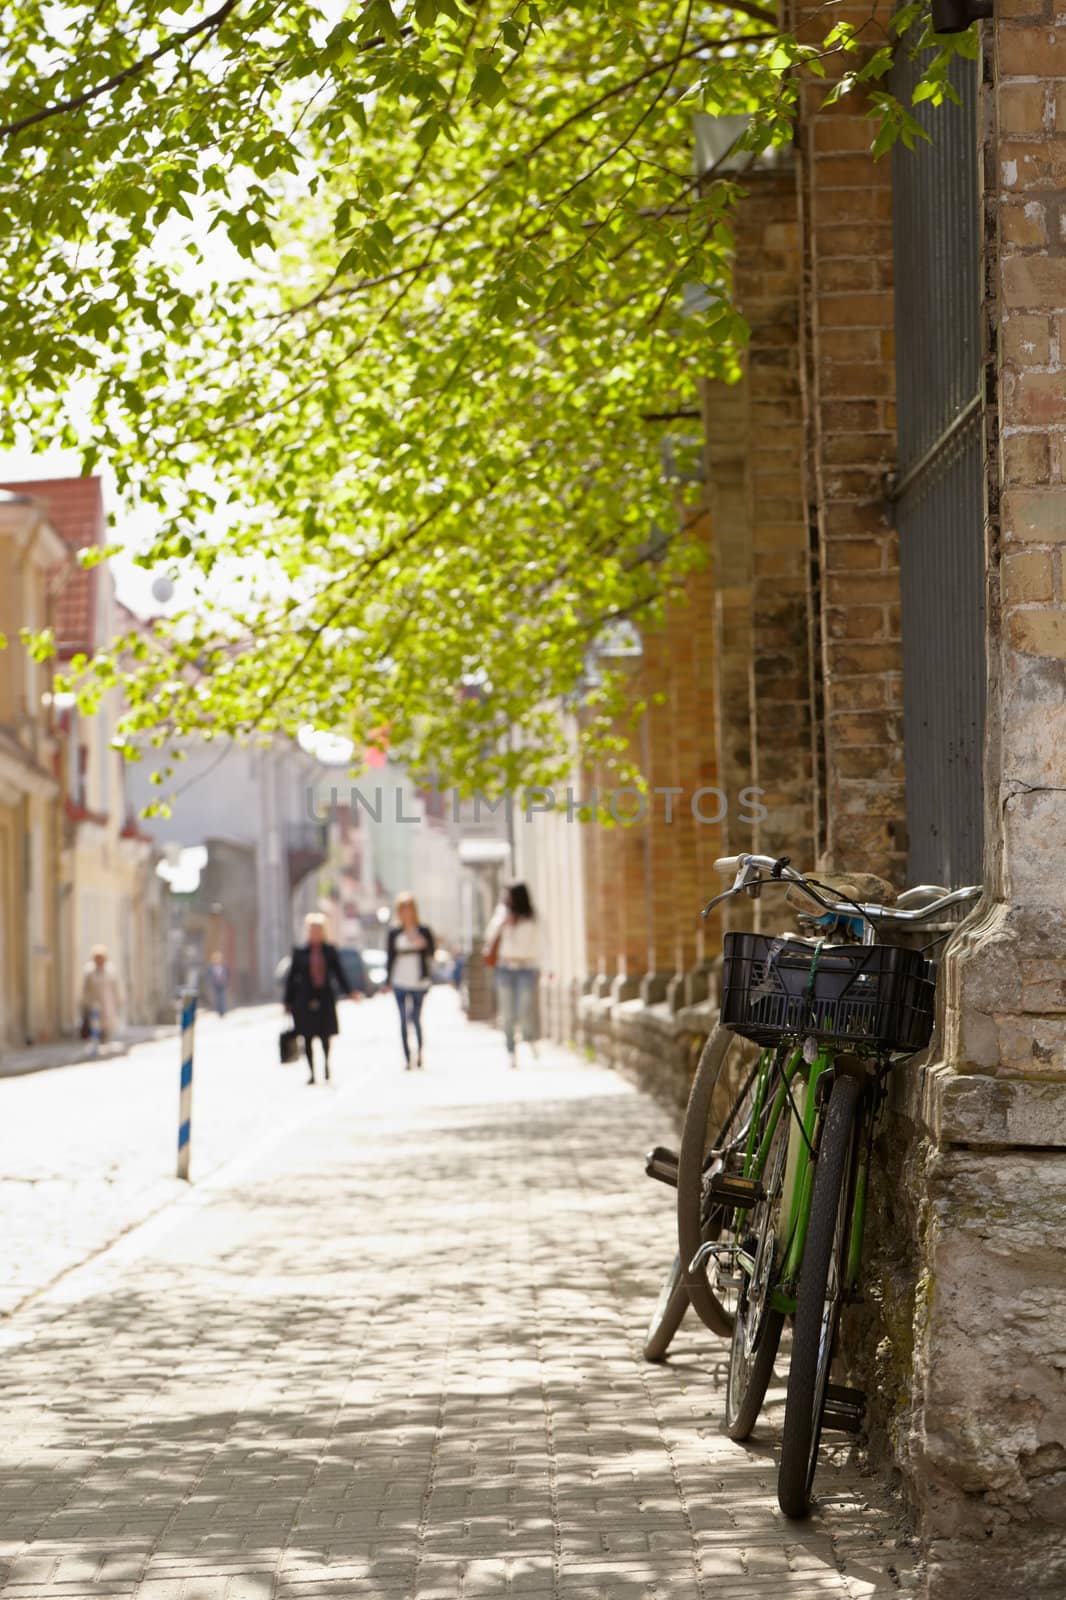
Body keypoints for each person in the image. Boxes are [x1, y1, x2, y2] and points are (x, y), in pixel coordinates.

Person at [283, 913, 358, 1085]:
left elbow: (339, 974)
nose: (315, 933)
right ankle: (311, 1073)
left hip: (325, 998)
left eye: (318, 930)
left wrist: (350, 991)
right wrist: (287, 1001)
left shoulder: (330, 950)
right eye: (312, 930)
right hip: (303, 1000)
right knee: (307, 1038)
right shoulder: (300, 952)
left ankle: (326, 1067)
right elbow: (291, 978)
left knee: (325, 1036)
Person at [483, 881, 540, 1068]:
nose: (507, 899)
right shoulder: (501, 913)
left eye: (510, 895)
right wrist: (502, 922)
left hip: (526, 966)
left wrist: (547, 968)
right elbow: (489, 937)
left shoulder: (532, 916)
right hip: (505, 967)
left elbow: (543, 942)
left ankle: (529, 1038)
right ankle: (510, 1050)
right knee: (507, 1012)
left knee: (525, 1008)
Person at [385, 892, 434, 1070]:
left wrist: (420, 941)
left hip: (419, 980)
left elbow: (431, 953)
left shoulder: (424, 930)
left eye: (409, 909)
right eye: (402, 909)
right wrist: (387, 980)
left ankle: (420, 1052)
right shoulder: (394, 932)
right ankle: (407, 1057)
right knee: (402, 1020)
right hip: (399, 980)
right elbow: (390, 957)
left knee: (416, 1018)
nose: (406, 913)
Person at [80, 946, 122, 1045]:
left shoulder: (110, 971)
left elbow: (115, 987)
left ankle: (105, 1039)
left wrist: (118, 999)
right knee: (95, 1024)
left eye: (101, 958)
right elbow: (85, 989)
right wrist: (84, 1002)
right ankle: (95, 1042)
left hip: (107, 1002)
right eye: (97, 958)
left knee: (107, 1024)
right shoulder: (89, 971)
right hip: (94, 1002)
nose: (99, 960)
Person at [206, 951, 229, 1016]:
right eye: (216, 959)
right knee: (217, 998)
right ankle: (218, 1011)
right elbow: (209, 975)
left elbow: (227, 974)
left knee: (222, 998)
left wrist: (225, 981)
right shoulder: (211, 967)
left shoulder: (224, 966)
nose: (217, 960)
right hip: (215, 985)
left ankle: (222, 1011)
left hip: (222, 984)